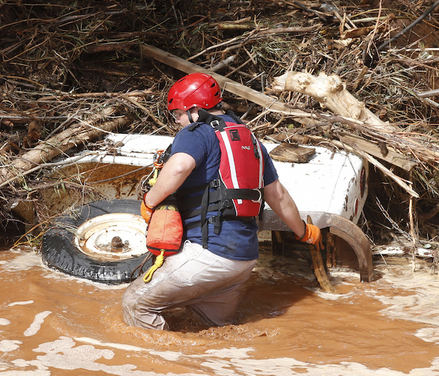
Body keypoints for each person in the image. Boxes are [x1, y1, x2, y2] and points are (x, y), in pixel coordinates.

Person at [122, 72, 322, 330]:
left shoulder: (197, 132)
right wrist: (304, 232)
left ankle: (166, 365)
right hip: (243, 262)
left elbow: (180, 167)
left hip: (208, 255)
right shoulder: (251, 140)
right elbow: (278, 195)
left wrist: (149, 202)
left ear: (194, 110)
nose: (177, 121)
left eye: (178, 114)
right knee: (209, 330)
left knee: (135, 303)